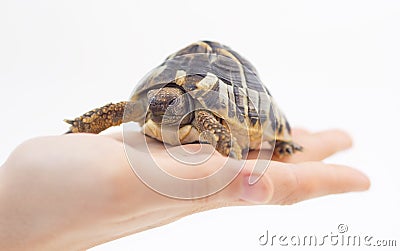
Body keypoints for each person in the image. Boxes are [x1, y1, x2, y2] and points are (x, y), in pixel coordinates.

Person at [0, 128, 370, 250]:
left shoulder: (206, 120)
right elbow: (121, 110)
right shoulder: (150, 111)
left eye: (167, 105)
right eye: (153, 105)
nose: (158, 110)